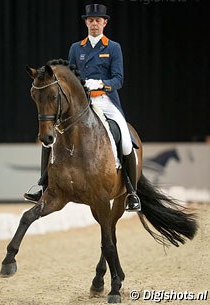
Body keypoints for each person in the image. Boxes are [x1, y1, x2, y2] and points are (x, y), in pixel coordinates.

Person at [24, 4, 141, 212]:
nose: (94, 24)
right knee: (51, 138)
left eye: (98, 20)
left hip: (106, 100)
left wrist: (101, 84)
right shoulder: (76, 48)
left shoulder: (113, 48)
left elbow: (119, 79)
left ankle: (131, 192)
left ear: (104, 23)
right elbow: (69, 77)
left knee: (125, 138)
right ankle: (43, 186)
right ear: (86, 23)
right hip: (81, 102)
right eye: (90, 20)